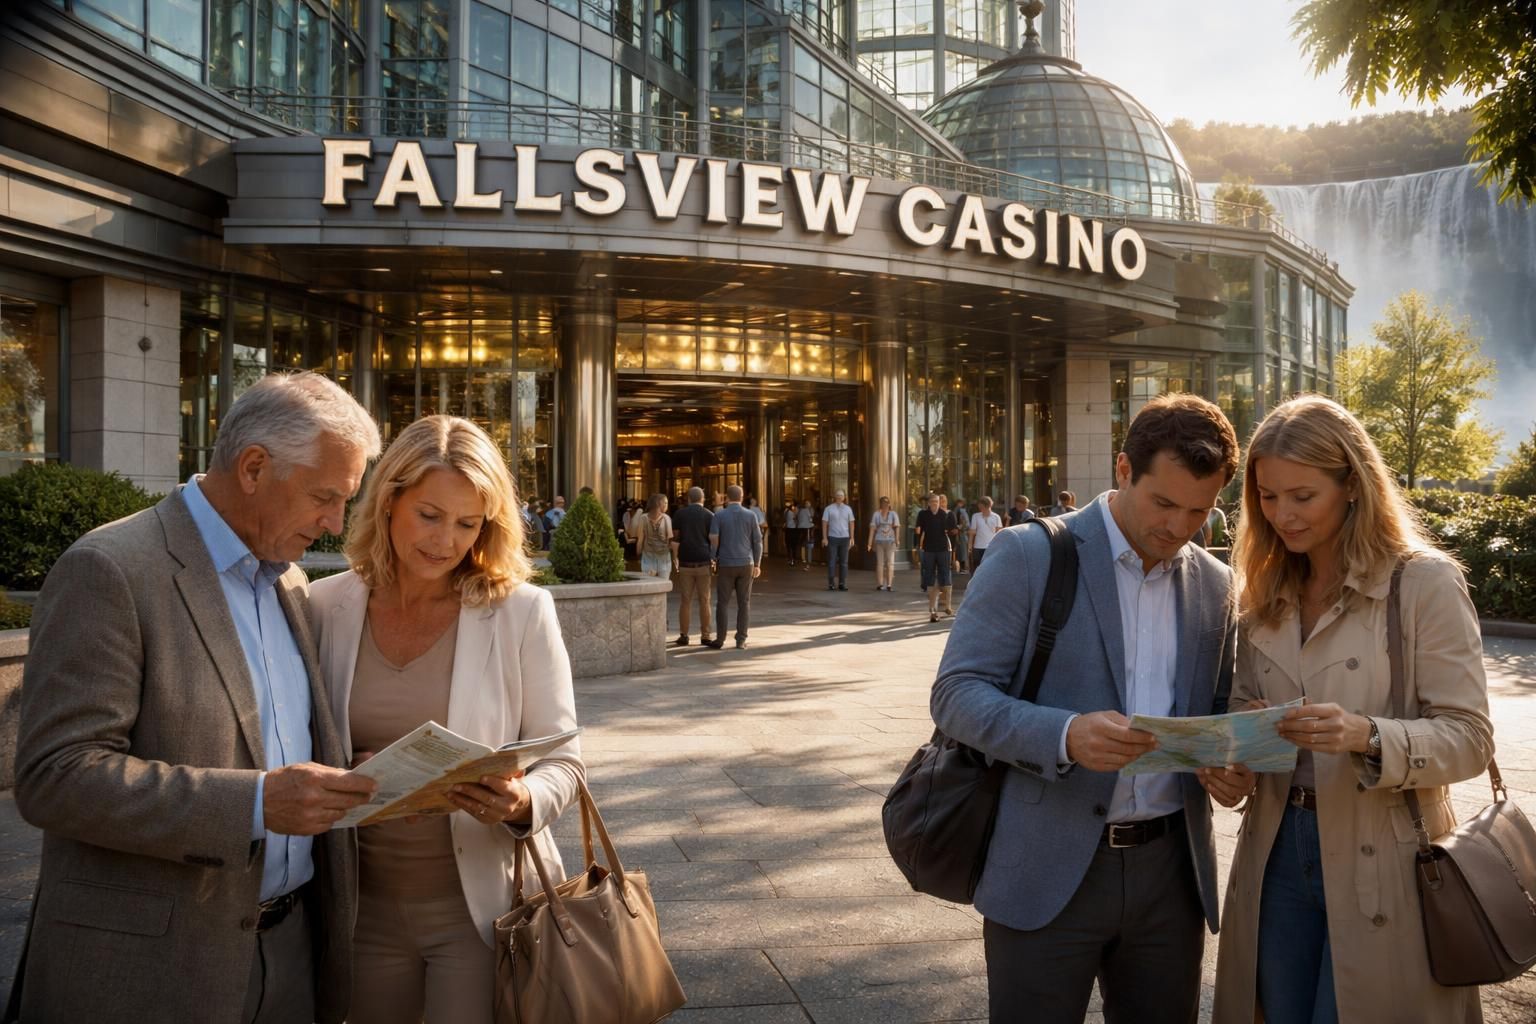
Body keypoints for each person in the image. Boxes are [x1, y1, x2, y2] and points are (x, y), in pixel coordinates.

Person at [10, 372, 382, 1024]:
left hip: (291, 957)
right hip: (150, 975)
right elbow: (54, 777)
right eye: (326, 496)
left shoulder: (289, 582)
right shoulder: (110, 570)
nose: (334, 523)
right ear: (254, 468)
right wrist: (259, 803)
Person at [930, 393, 1241, 1024]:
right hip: (1044, 866)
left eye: (1199, 511)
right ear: (1123, 470)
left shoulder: (1214, 582)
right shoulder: (1028, 553)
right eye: (1164, 502)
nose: (1179, 527)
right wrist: (1065, 734)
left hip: (1171, 875)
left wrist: (1232, 767)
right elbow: (956, 694)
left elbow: (1213, 712)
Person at [1210, 396, 1493, 1024]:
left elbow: (1471, 738)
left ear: (1353, 487)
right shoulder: (1263, 590)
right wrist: (1232, 763)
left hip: (1387, 854)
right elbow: (1241, 717)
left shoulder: (1423, 583)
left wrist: (1366, 735)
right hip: (1274, 852)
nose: (1281, 514)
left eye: (1302, 496)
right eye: (1267, 496)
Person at [308, 415, 584, 1024]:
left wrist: (520, 801)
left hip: (483, 914)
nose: (446, 541)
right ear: (388, 501)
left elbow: (565, 761)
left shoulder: (521, 612)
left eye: (468, 523)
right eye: (429, 515)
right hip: (358, 911)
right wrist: (338, 775)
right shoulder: (324, 606)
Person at [707, 484, 762, 650]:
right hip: (746, 563)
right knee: (744, 603)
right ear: (742, 496)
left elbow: (714, 538)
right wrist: (758, 563)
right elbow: (757, 541)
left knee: (722, 603)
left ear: (726, 498)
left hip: (726, 563)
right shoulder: (751, 515)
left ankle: (720, 639)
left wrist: (713, 558)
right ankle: (741, 639)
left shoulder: (719, 515)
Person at [671, 487, 716, 647]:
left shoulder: (679, 514)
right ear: (702, 499)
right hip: (704, 561)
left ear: (688, 499)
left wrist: (675, 558)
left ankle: (684, 635)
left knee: (685, 600)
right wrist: (713, 557)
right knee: (705, 600)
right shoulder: (710, 515)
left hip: (685, 562)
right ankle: (706, 635)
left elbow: (675, 539)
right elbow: (713, 539)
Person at [914, 492, 955, 622]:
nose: (935, 504)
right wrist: (917, 546)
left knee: (945, 575)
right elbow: (918, 531)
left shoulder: (945, 515)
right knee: (929, 576)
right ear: (929, 504)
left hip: (943, 549)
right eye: (932, 502)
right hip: (928, 549)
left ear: (940, 503)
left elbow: (952, 532)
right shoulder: (923, 514)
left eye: (937, 502)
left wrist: (953, 551)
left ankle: (948, 605)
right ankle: (932, 609)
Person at [633, 492, 675, 580]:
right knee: (663, 584)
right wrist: (675, 556)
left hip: (648, 556)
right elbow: (670, 540)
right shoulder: (667, 518)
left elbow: (640, 540)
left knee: (648, 584)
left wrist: (638, 555)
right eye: (666, 503)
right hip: (663, 557)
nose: (667, 505)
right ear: (659, 504)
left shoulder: (643, 518)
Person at [822, 489, 856, 591]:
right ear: (834, 497)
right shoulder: (829, 509)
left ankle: (842, 583)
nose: (839, 497)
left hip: (845, 538)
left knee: (844, 562)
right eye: (837, 495)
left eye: (841, 495)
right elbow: (824, 523)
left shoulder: (848, 509)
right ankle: (831, 583)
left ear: (844, 497)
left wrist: (852, 537)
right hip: (832, 537)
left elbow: (851, 523)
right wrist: (824, 538)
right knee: (832, 561)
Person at [868, 496, 902, 591]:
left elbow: (897, 527)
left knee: (890, 563)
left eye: (886, 503)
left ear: (889, 504)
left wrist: (897, 539)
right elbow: (872, 528)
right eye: (883, 503)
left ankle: (889, 584)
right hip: (879, 541)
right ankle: (880, 584)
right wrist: (869, 543)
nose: (885, 505)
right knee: (880, 563)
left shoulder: (893, 514)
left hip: (891, 541)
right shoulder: (876, 514)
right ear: (880, 504)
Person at [968, 496, 1003, 573]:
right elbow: (972, 532)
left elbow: (999, 533)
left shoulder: (996, 517)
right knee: (977, 568)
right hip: (978, 546)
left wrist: (999, 546)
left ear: (988, 506)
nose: (981, 509)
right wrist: (970, 545)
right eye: (979, 507)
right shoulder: (975, 516)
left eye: (982, 507)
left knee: (990, 568)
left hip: (991, 546)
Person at [952, 497, 970, 575]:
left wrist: (959, 528)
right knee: (959, 551)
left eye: (961, 503)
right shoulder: (956, 510)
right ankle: (959, 567)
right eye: (958, 503)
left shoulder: (962, 511)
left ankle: (963, 567)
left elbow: (966, 524)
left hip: (961, 534)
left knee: (962, 551)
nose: (959, 504)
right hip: (957, 534)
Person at [797, 499, 815, 569]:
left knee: (803, 544)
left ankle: (803, 558)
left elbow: (798, 518)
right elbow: (811, 519)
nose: (807, 504)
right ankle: (809, 560)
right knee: (809, 544)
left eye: (808, 503)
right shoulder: (807, 510)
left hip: (801, 529)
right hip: (807, 528)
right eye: (807, 503)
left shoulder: (800, 510)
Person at [785, 501, 801, 567]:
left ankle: (790, 558)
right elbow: (796, 520)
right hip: (793, 530)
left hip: (788, 530)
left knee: (789, 545)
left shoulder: (786, 512)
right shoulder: (791, 513)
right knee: (793, 545)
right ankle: (793, 559)